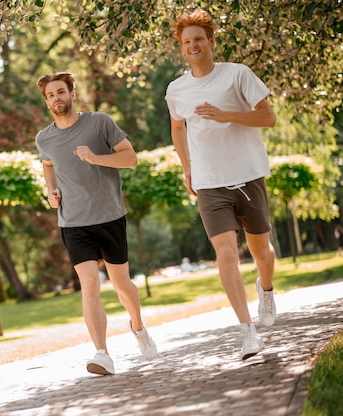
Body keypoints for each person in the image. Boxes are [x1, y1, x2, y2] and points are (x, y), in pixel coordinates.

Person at [165, 9, 277, 360]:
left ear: (211, 41)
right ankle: (247, 330)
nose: (193, 45)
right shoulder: (177, 89)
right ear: (181, 49)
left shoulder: (237, 75)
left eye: (199, 39)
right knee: (225, 253)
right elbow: (177, 127)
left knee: (262, 252)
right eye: (186, 42)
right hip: (210, 183)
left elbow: (268, 118)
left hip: (248, 174)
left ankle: (267, 288)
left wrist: (226, 114)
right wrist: (187, 168)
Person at [35, 72, 157, 375]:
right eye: (50, 95)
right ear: (46, 101)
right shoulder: (44, 138)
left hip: (109, 215)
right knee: (88, 285)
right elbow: (48, 166)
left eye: (61, 92)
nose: (56, 99)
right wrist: (51, 192)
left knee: (121, 284)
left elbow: (131, 159)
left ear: (72, 94)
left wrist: (96, 158)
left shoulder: (99, 122)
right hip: (73, 222)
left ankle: (138, 327)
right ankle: (102, 353)